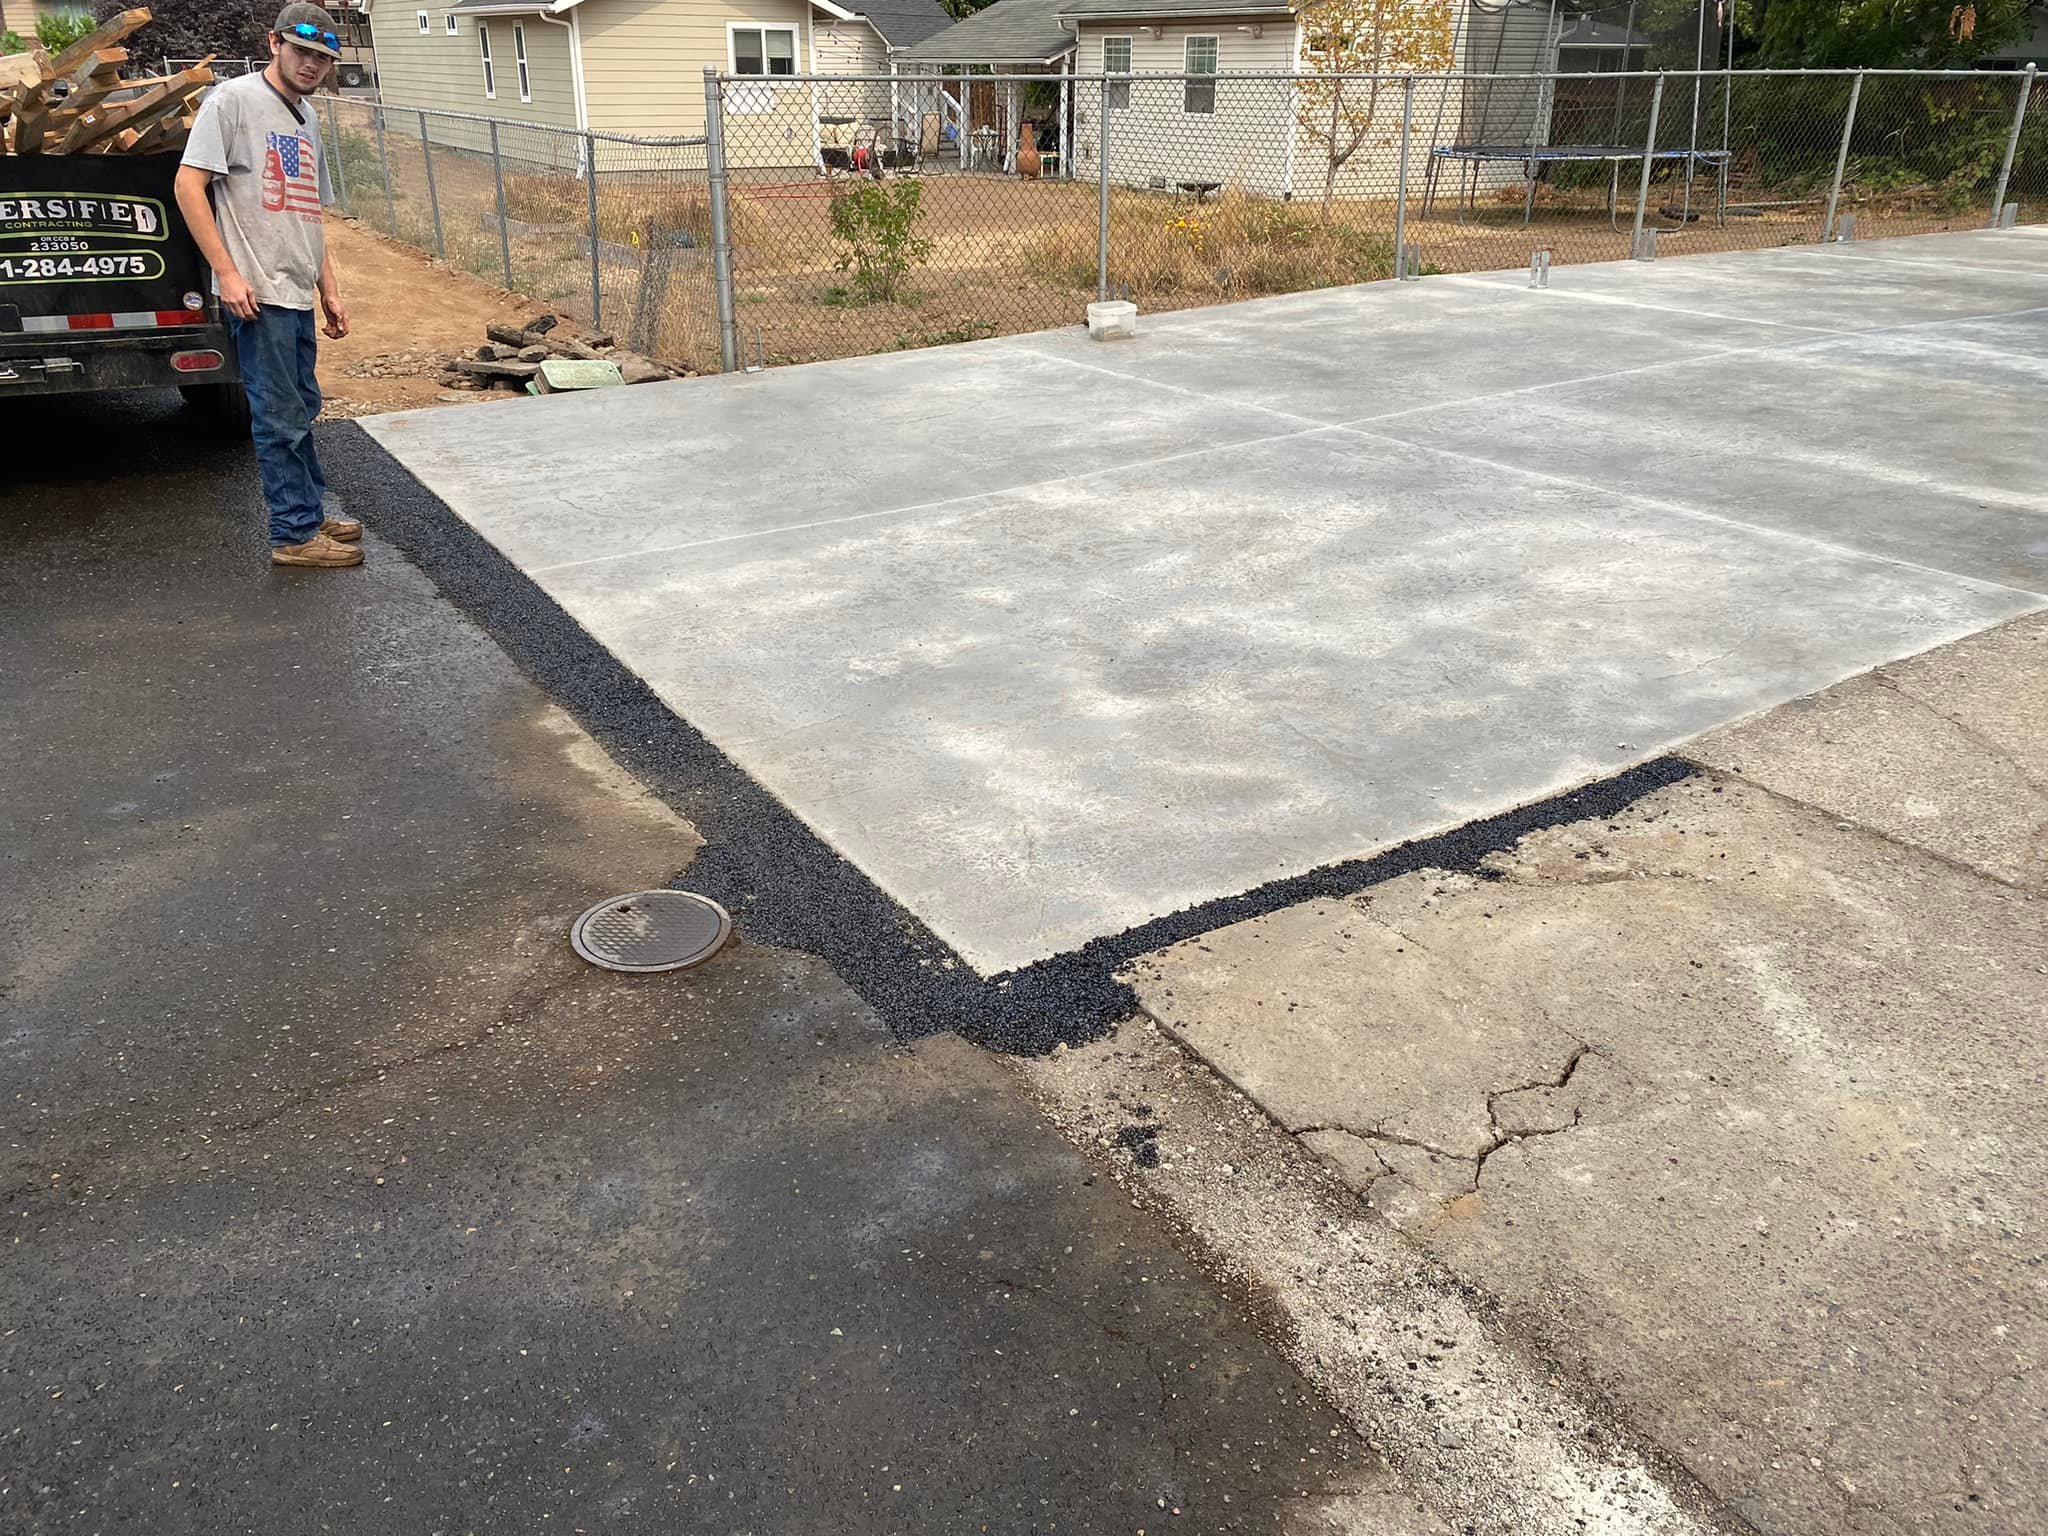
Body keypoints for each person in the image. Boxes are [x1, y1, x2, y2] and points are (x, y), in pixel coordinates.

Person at [175, 5, 360, 569]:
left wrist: (328, 288)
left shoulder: (305, 117)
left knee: (301, 406)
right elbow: (188, 185)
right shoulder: (232, 102)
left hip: (297, 288)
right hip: (259, 290)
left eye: (323, 59)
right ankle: (293, 535)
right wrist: (228, 274)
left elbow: (310, 213)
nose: (312, 66)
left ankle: (307, 508)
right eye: (302, 53)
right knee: (279, 413)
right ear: (274, 42)